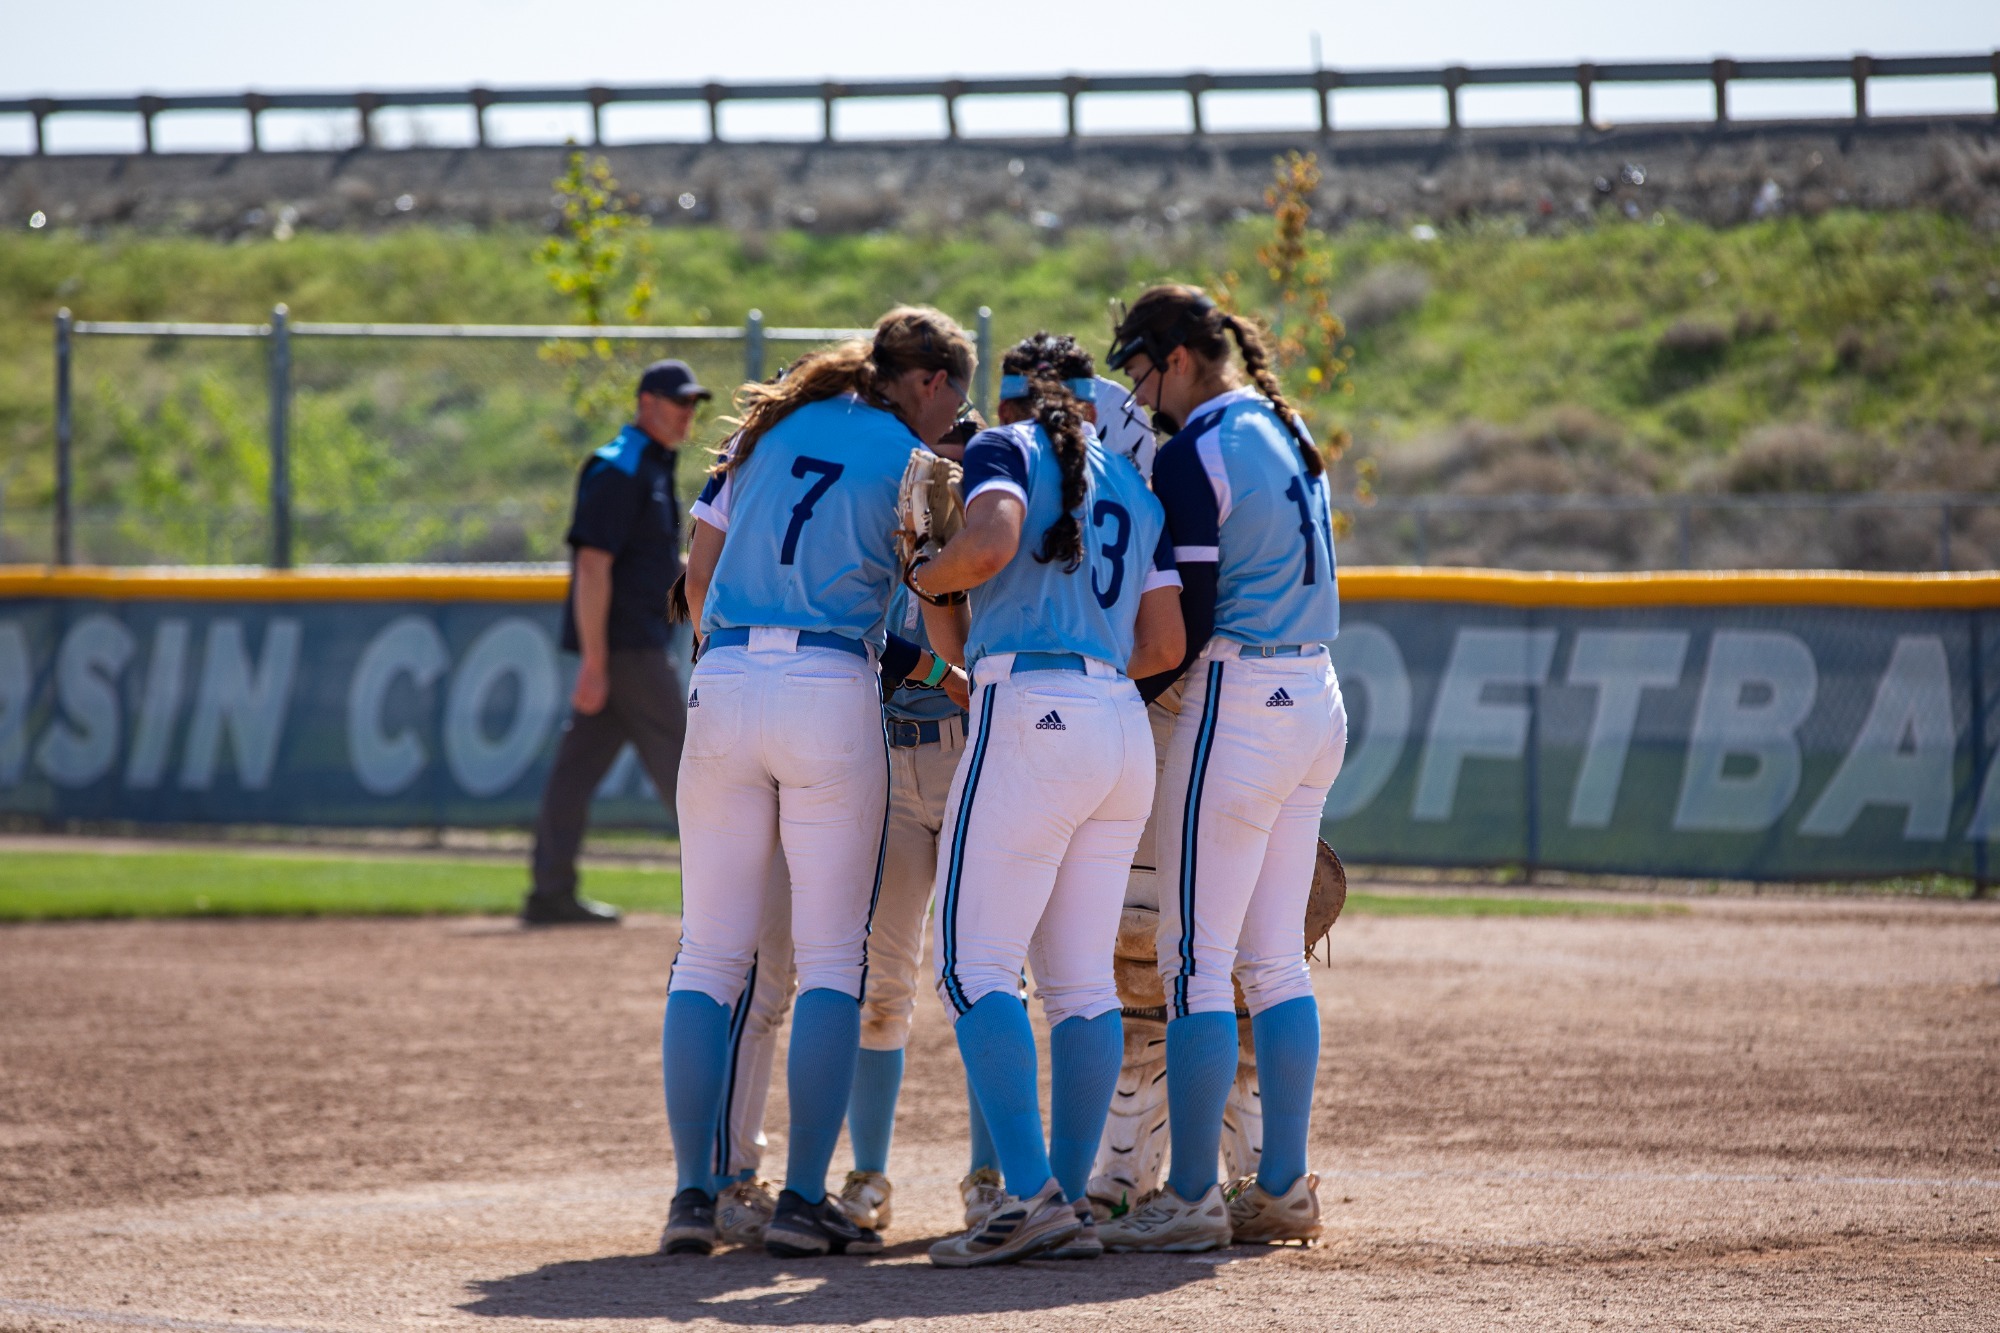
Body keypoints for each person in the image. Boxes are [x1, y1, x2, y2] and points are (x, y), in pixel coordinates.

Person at [660, 307, 976, 1261]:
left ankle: (693, 1195)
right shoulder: (916, 461)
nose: (952, 416)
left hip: (723, 676)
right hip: (830, 679)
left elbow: (697, 579)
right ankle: (802, 1198)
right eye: (953, 394)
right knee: (835, 960)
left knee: (708, 957)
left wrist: (730, 670)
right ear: (929, 381)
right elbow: (939, 604)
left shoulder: (765, 428)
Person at [910, 331, 1185, 1268]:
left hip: (1032, 709)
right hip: (1118, 725)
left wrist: (926, 572)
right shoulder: (1133, 482)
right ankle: (1064, 1198)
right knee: (1080, 983)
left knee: (970, 965)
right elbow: (1164, 643)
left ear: (1010, 399)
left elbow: (989, 544)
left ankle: (1027, 1196)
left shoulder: (1004, 445)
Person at [1095, 285, 1347, 1252]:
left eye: (1140, 367)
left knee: (1195, 961)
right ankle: (1282, 1185)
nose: (1137, 390)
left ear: (1176, 357)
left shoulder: (1196, 448)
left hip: (1239, 702)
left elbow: (1186, 625)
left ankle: (1194, 1192)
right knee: (1273, 959)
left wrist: (1107, 685)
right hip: (1315, 691)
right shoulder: (1286, 425)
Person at [522, 359, 710, 927]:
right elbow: (592, 566)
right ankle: (724, 896)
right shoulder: (619, 467)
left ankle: (550, 890)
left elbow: (648, 563)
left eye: (692, 403)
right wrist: (596, 662)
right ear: (646, 402)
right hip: (628, 651)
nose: (687, 413)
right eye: (678, 401)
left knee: (575, 771)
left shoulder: (650, 466)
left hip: (631, 644)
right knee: (689, 769)